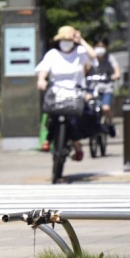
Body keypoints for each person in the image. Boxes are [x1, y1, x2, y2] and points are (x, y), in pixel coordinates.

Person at [36, 25, 97, 160]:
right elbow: (44, 68)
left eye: (69, 39)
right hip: (56, 91)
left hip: (77, 92)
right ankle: (48, 139)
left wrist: (81, 40)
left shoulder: (80, 52)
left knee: (75, 120)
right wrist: (41, 79)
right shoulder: (53, 54)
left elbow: (93, 56)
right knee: (51, 115)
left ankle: (77, 144)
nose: (66, 42)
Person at [87, 37, 121, 137]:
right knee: (88, 106)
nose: (99, 49)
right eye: (97, 46)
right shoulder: (91, 58)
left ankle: (110, 124)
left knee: (105, 108)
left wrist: (116, 75)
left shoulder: (110, 58)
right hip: (93, 87)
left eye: (102, 46)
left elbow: (117, 70)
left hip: (106, 87)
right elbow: (84, 69)